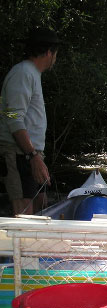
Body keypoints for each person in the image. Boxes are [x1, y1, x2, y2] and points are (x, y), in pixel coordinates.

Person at [0, 27, 59, 215]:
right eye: (55, 53)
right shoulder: (23, 72)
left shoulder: (32, 73)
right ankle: (19, 244)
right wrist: (32, 155)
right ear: (49, 52)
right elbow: (13, 116)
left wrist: (35, 155)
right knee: (24, 212)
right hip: (18, 153)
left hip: (29, 153)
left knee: (41, 206)